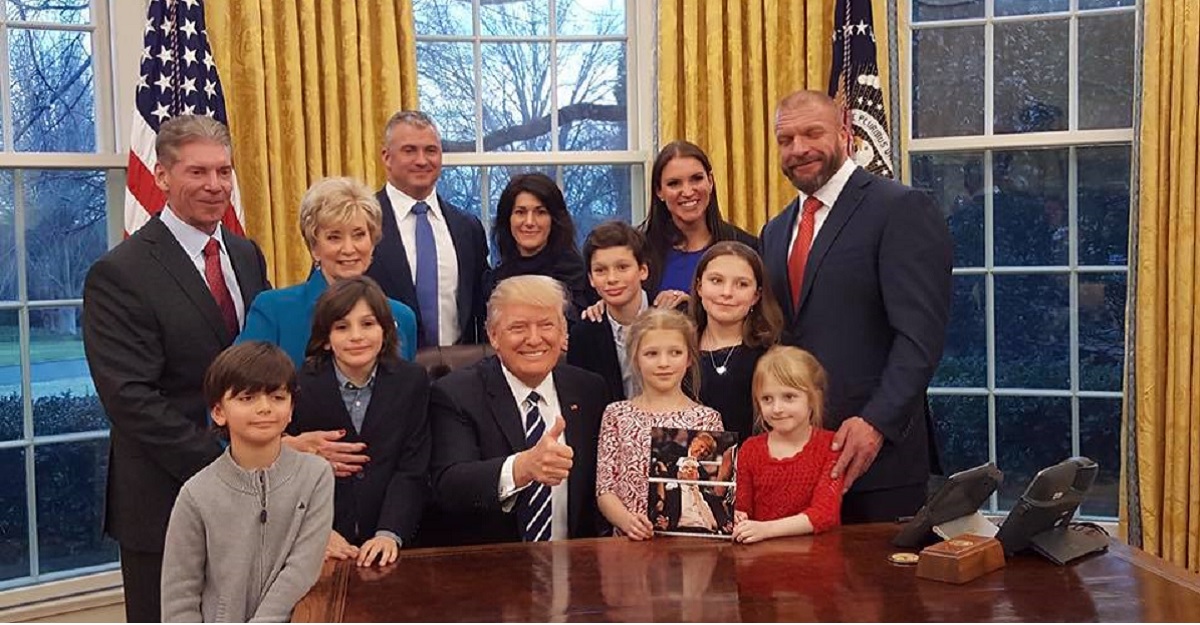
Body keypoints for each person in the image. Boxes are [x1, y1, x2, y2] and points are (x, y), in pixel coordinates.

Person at [81, 115, 273, 622]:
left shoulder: (246, 254)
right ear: (162, 176)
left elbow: (260, 366)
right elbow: (131, 399)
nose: (215, 186)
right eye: (198, 173)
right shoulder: (120, 273)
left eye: (224, 172)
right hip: (166, 502)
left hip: (253, 504)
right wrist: (228, 463)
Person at [760, 90, 953, 523]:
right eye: (786, 140)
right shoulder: (774, 232)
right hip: (797, 465)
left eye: (813, 133)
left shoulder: (900, 208)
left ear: (845, 133)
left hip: (877, 461)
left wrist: (876, 424)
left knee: (882, 591)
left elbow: (919, 338)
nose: (799, 149)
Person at [428, 275, 608, 544]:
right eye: (518, 327)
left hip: (574, 566)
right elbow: (449, 485)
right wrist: (521, 468)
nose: (534, 339)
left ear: (563, 333)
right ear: (493, 335)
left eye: (547, 325)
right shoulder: (455, 393)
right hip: (492, 567)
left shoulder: (589, 390)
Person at [161, 342, 333, 622]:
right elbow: (180, 593)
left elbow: (302, 566)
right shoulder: (196, 494)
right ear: (218, 411)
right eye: (247, 398)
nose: (264, 408)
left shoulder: (316, 475)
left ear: (291, 409)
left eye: (277, 397)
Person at [289, 276, 431, 567]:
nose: (356, 336)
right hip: (320, 541)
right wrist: (317, 533)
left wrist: (389, 533)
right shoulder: (298, 386)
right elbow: (285, 475)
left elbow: (412, 468)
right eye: (342, 327)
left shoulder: (411, 381)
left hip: (390, 540)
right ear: (325, 339)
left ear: (385, 330)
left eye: (368, 324)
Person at [239, 177, 417, 364]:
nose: (349, 249)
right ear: (314, 247)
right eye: (334, 237)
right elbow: (240, 384)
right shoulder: (274, 310)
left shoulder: (401, 317)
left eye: (359, 235)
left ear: (372, 242)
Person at [594, 308, 722, 540]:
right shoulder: (617, 414)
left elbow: (713, 486)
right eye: (652, 354)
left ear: (689, 358)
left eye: (675, 352)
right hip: (630, 543)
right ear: (635, 358)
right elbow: (605, 489)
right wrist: (627, 521)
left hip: (689, 543)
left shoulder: (707, 418)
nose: (664, 363)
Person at [367, 110, 490, 346]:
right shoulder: (361, 223)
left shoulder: (467, 227)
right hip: (386, 371)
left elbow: (481, 307)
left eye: (431, 150)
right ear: (386, 157)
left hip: (458, 372)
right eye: (409, 150)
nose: (422, 160)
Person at [732, 346, 843, 543]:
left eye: (789, 397)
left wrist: (765, 530)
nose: (777, 408)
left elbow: (824, 514)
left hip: (816, 559)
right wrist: (737, 517)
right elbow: (742, 506)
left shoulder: (830, 447)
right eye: (767, 399)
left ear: (813, 398)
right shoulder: (750, 449)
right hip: (761, 560)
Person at [640, 140, 758, 309]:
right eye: (674, 183)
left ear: (710, 181)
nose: (687, 192)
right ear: (659, 191)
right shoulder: (639, 250)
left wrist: (695, 309)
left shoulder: (747, 247)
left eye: (696, 179)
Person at [690, 241, 784, 438]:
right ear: (699, 287)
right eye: (716, 281)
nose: (727, 293)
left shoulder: (773, 354)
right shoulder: (677, 349)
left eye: (742, 284)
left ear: (756, 296)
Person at [484, 173, 596, 320]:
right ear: (508, 219)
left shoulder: (582, 277)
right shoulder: (493, 282)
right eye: (520, 212)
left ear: (554, 220)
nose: (529, 222)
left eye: (540, 212)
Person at [567, 220, 651, 401]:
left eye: (622, 267)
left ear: (642, 270)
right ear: (590, 278)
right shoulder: (584, 333)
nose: (612, 278)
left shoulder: (672, 317)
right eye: (600, 270)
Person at [653, 456, 730, 534]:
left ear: (698, 475)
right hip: (682, 533)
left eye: (693, 468)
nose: (690, 470)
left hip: (710, 534)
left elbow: (724, 522)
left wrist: (726, 525)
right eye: (686, 468)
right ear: (679, 475)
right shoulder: (670, 495)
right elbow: (660, 515)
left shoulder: (711, 498)